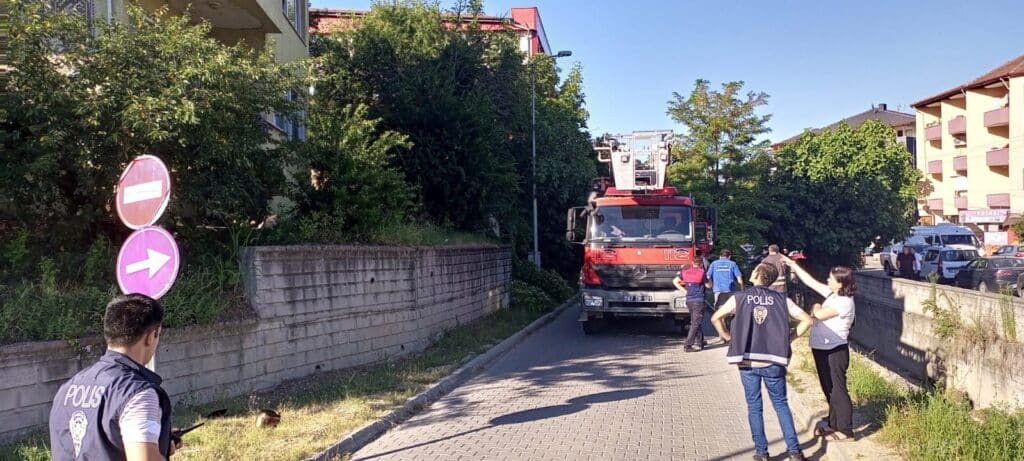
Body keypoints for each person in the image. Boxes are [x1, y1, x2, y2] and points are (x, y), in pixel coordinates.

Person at [50, 294, 181, 460]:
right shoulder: (138, 393)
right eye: (158, 335)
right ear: (150, 337)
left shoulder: (67, 389)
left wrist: (157, 446)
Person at [711, 263, 813, 461]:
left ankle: (761, 452)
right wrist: (789, 339)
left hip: (747, 360)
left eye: (754, 269)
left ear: (758, 274)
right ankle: (794, 451)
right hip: (774, 360)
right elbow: (807, 320)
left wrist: (729, 338)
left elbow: (716, 317)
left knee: (754, 406)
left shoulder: (739, 298)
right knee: (781, 404)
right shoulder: (782, 299)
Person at [783, 255, 858, 442]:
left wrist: (815, 306)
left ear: (840, 283)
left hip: (835, 350)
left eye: (831, 279)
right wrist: (792, 264)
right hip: (821, 348)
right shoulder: (833, 295)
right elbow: (810, 282)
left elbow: (819, 314)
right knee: (828, 387)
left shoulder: (845, 302)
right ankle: (833, 424)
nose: (827, 280)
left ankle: (846, 430)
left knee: (838, 388)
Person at [673, 262, 707, 352]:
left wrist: (684, 291)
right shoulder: (702, 272)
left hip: (689, 301)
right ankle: (688, 345)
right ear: (701, 264)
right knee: (695, 323)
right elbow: (708, 285)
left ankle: (700, 341)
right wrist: (710, 280)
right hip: (698, 300)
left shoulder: (685, 271)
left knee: (695, 321)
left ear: (692, 263)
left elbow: (675, 281)